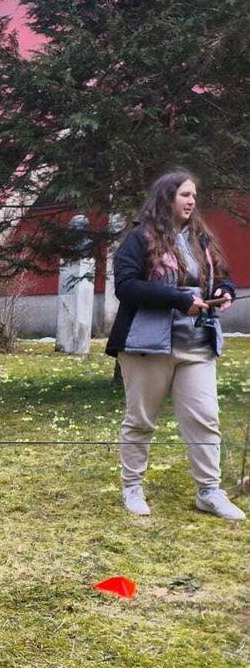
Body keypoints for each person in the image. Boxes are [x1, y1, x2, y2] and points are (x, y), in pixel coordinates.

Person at [106, 170, 244, 520]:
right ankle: (132, 487)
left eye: (194, 195)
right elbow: (125, 286)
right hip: (147, 346)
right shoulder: (139, 238)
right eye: (185, 194)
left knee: (205, 418)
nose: (192, 201)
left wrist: (224, 290)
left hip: (197, 344)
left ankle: (209, 491)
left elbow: (221, 276)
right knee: (140, 420)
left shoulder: (200, 239)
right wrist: (178, 299)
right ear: (167, 197)